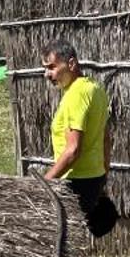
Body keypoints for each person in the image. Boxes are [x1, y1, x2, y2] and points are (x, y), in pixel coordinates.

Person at [41, 40, 116, 242]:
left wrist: (44, 183)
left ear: (71, 64)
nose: (47, 74)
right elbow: (106, 139)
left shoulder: (77, 95)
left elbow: (73, 150)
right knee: (67, 244)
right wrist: (102, 177)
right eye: (46, 69)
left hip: (77, 181)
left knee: (66, 244)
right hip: (92, 178)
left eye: (52, 67)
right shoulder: (95, 89)